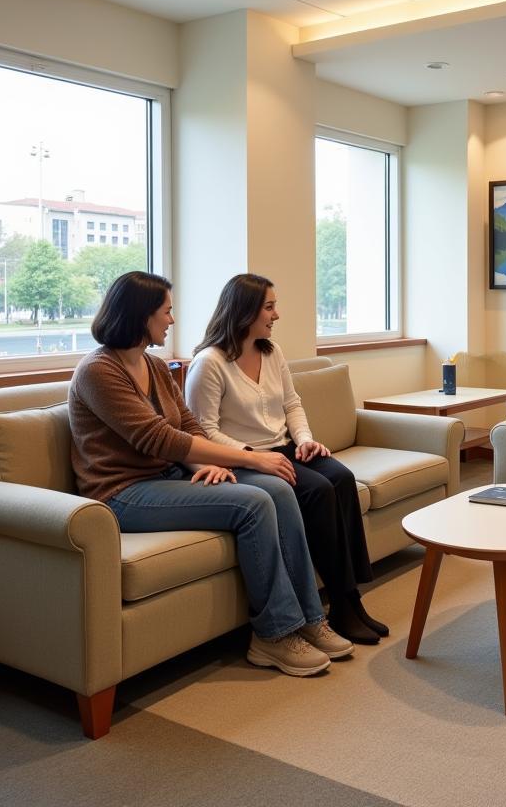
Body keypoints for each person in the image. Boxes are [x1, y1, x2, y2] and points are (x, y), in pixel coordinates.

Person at [69, 271, 353, 678]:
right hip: (122, 493)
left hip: (169, 475)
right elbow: (157, 437)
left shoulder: (151, 364)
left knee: (278, 488)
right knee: (255, 502)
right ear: (140, 315)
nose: (171, 320)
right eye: (166, 312)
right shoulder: (98, 371)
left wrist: (208, 465)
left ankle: (310, 618)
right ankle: (273, 635)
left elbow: (187, 425)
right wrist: (250, 459)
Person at [186, 273, 388, 646]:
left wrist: (307, 440)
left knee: (341, 478)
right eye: (270, 306)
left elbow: (292, 404)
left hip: (285, 448)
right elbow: (203, 431)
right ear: (244, 311)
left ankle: (350, 598)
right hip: (243, 460)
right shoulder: (209, 363)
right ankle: (342, 606)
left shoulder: (271, 351)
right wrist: (252, 456)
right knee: (318, 490)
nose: (276, 315)